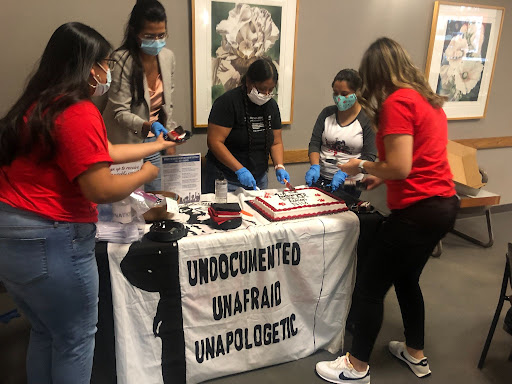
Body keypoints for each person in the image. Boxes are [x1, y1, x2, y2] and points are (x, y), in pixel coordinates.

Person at [0, 22, 176, 384]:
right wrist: (146, 175)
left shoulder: (38, 106)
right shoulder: (78, 110)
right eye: (106, 64)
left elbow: (103, 151)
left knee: (46, 332)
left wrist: (157, 146)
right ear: (88, 66)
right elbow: (99, 188)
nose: (108, 73)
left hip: (11, 236)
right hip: (52, 241)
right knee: (75, 340)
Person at [315, 37, 459, 384]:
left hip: (416, 213)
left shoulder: (397, 102)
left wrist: (363, 165)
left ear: (376, 74)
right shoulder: (428, 101)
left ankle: (357, 366)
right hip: (443, 206)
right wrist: (381, 178)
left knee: (369, 287)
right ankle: (415, 353)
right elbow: (416, 160)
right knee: (407, 279)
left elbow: (400, 167)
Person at [103, 0, 180, 192]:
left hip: (154, 141)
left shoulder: (168, 57)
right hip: (127, 142)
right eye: (149, 36)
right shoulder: (122, 60)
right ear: (134, 32)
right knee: (127, 203)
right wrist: (146, 125)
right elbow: (119, 112)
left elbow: (166, 104)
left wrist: (170, 134)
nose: (156, 41)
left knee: (153, 198)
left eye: (161, 35)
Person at [205, 58, 290, 192]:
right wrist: (240, 170)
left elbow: (276, 142)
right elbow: (215, 142)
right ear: (249, 81)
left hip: (259, 178)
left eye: (271, 90)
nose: (266, 94)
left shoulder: (271, 106)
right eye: (262, 89)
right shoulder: (228, 102)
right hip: (226, 178)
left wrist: (279, 166)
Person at [306, 69, 376, 198]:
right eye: (336, 93)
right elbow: (315, 143)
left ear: (357, 93)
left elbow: (369, 157)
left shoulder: (367, 119)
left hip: (352, 181)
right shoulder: (327, 113)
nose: (339, 98)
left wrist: (345, 173)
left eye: (344, 94)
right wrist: (314, 166)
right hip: (322, 176)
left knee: (343, 213)